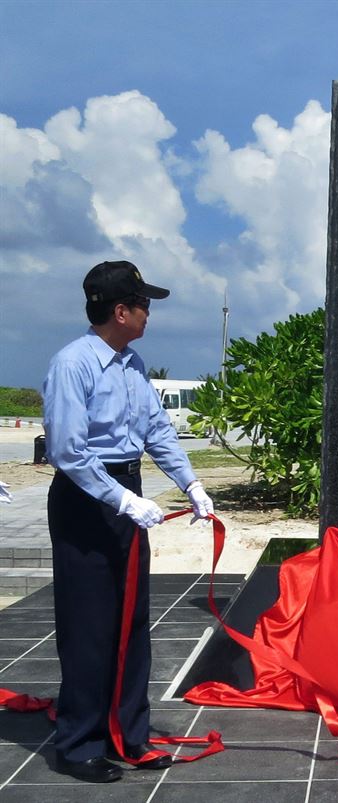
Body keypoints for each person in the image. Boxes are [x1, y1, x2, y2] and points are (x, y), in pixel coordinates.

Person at [43, 260, 214, 783]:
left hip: (124, 492)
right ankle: (79, 743)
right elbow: (67, 451)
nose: (148, 315)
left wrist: (191, 483)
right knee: (89, 625)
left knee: (130, 622)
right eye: (143, 306)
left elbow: (157, 429)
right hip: (85, 499)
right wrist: (122, 500)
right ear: (120, 311)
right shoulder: (74, 364)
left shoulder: (134, 364)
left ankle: (128, 733)